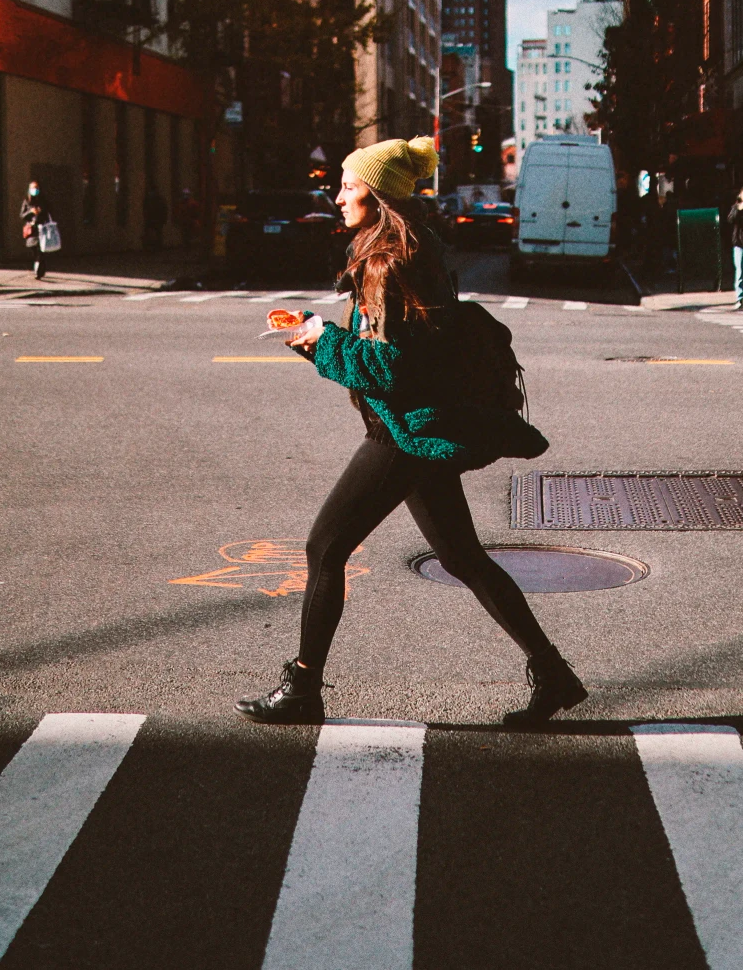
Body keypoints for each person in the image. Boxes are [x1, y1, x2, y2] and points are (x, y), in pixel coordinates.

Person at [237, 136, 582, 728]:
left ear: (379, 196)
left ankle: (301, 689)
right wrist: (317, 344)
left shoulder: (388, 263)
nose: (338, 195)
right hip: (420, 425)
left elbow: (390, 368)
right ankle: (553, 675)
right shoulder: (411, 250)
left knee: (325, 547)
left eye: (348, 185)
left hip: (403, 431)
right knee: (463, 557)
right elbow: (395, 357)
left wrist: (321, 339)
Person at [20, 181, 54, 280]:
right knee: (34, 248)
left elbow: (49, 212)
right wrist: (31, 212)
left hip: (42, 228)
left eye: (36, 188)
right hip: (32, 229)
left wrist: (41, 212)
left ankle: (39, 270)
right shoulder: (27, 201)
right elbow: (22, 215)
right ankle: (40, 265)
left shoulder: (43, 201)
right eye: (33, 188)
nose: (35, 190)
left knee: (41, 250)